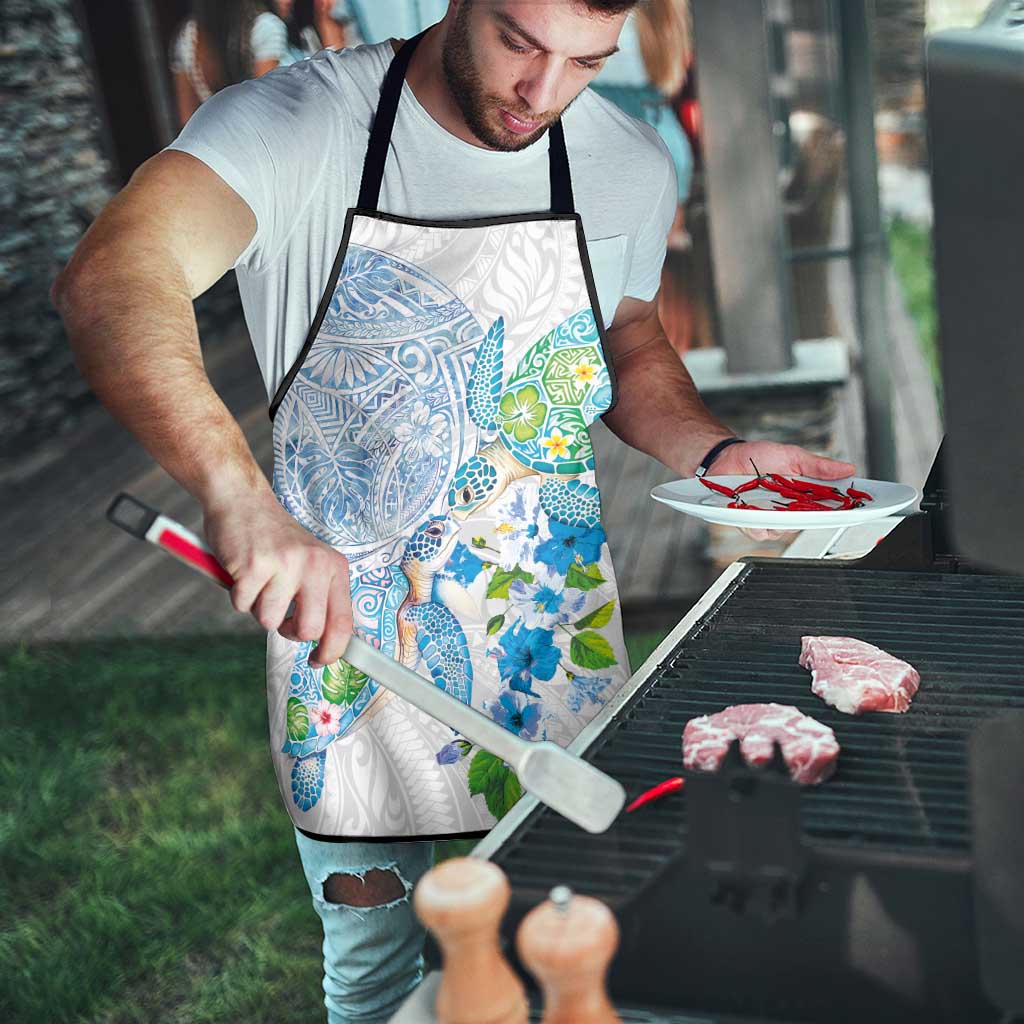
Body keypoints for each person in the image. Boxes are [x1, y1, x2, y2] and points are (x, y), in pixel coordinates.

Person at [53, 2, 855, 1020]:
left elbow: (626, 337)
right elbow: (114, 275)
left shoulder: (625, 161)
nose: (543, 93)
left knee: (583, 955)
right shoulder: (298, 126)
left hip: (550, 641)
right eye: (520, 42)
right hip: (350, 651)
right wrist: (237, 495)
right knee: (378, 978)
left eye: (586, 62)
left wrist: (716, 450)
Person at [169, 0, 288, 127]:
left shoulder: (187, 37)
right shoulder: (265, 27)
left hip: (215, 135)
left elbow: (187, 120)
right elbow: (266, 107)